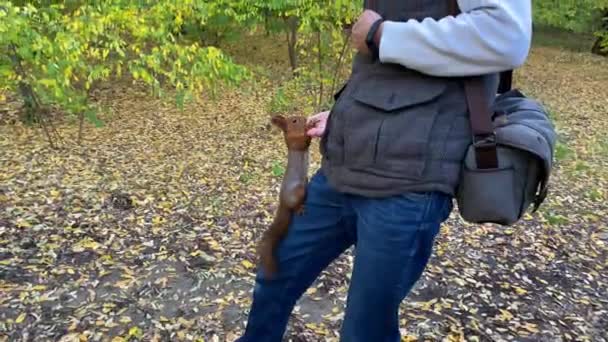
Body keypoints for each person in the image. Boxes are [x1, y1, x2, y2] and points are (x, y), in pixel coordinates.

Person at [237, 0, 532, 341]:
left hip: (408, 187)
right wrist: (347, 114)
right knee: (275, 271)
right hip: (341, 171)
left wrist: (381, 34)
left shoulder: (383, 34)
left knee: (365, 329)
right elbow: (391, 73)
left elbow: (506, 35)